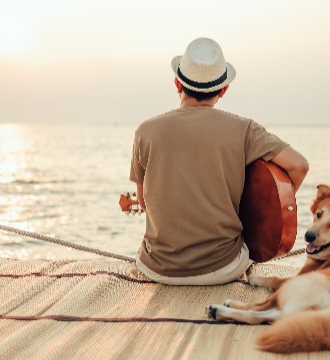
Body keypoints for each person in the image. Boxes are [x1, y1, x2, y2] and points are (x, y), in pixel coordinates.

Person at [129, 37, 309, 285]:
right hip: (222, 268)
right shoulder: (244, 129)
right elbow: (299, 165)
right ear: (223, 90)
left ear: (176, 83)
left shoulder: (145, 131)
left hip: (158, 269)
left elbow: (143, 202)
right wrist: (268, 209)